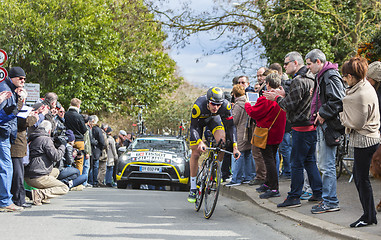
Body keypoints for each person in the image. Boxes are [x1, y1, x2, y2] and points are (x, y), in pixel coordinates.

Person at [264, 51, 322, 208]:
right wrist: (284, 94)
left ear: (296, 63)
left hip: (301, 127)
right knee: (310, 161)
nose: (284, 66)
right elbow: (299, 100)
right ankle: (317, 192)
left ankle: (294, 197)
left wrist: (276, 98)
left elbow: (289, 105)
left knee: (296, 163)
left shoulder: (298, 80)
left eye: (286, 63)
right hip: (311, 125)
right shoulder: (312, 77)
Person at [340, 57, 380, 228]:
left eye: (345, 76)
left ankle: (368, 217)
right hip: (370, 137)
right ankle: (369, 214)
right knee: (360, 177)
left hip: (364, 140)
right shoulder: (364, 86)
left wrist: (341, 117)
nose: (343, 79)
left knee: (361, 179)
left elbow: (356, 123)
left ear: (350, 76)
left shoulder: (361, 93)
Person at [306, 49, 345, 214]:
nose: (308, 68)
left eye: (309, 64)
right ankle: (328, 200)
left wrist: (322, 113)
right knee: (324, 164)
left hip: (328, 125)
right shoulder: (324, 75)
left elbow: (339, 99)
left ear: (318, 62)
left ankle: (330, 201)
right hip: (324, 125)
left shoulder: (329, 75)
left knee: (326, 165)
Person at [187, 87, 240, 203]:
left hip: (214, 121)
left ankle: (215, 170)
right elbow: (193, 127)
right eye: (213, 104)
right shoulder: (198, 106)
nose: (215, 107)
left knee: (222, 142)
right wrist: (200, 142)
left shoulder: (226, 106)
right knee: (196, 153)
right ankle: (192, 187)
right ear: (208, 101)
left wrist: (235, 146)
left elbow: (231, 126)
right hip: (199, 124)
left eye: (218, 104)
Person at [245, 73, 286, 198]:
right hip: (278, 132)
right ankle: (268, 183)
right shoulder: (282, 97)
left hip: (266, 133)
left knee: (268, 160)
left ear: (267, 84)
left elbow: (254, 113)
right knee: (272, 158)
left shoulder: (265, 98)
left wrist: (247, 104)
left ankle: (274, 188)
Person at [0, 67, 26, 212]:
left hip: (6, 134)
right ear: (12, 77)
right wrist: (15, 110)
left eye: (24, 79)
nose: (22, 81)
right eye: (20, 78)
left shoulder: (12, 90)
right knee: (6, 168)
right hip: (2, 134)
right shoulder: (6, 90)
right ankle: (5, 201)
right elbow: (2, 116)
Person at [24, 120, 69, 205]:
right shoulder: (45, 139)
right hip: (37, 176)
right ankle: (40, 194)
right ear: (49, 130)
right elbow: (56, 157)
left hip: (29, 174)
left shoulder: (34, 138)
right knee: (64, 188)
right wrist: (62, 146)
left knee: (56, 171)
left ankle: (43, 196)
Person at [226, 84, 255, 186]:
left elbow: (234, 120)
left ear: (234, 94)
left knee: (238, 155)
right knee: (248, 155)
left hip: (240, 133)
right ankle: (249, 176)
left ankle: (236, 178)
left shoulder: (238, 105)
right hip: (249, 133)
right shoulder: (248, 103)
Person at [64, 98, 88, 174]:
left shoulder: (66, 114)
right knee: (79, 162)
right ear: (78, 105)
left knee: (68, 160)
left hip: (68, 140)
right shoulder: (79, 116)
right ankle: (78, 180)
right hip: (79, 140)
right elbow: (84, 129)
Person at [88, 115, 105, 187]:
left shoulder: (89, 129)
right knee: (95, 165)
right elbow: (102, 141)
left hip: (91, 148)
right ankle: (94, 181)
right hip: (96, 149)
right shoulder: (97, 129)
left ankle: (90, 180)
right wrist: (101, 147)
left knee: (91, 165)